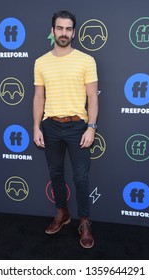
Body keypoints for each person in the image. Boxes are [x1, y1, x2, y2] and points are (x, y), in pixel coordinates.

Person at [33, 10, 98, 249]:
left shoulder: (86, 60)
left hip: (77, 126)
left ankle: (84, 222)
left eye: (68, 29)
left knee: (80, 177)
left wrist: (91, 127)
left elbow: (93, 97)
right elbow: (39, 98)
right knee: (56, 174)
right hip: (50, 126)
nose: (64, 33)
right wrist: (36, 127)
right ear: (52, 31)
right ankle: (62, 214)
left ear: (74, 32)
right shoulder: (40, 62)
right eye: (59, 28)